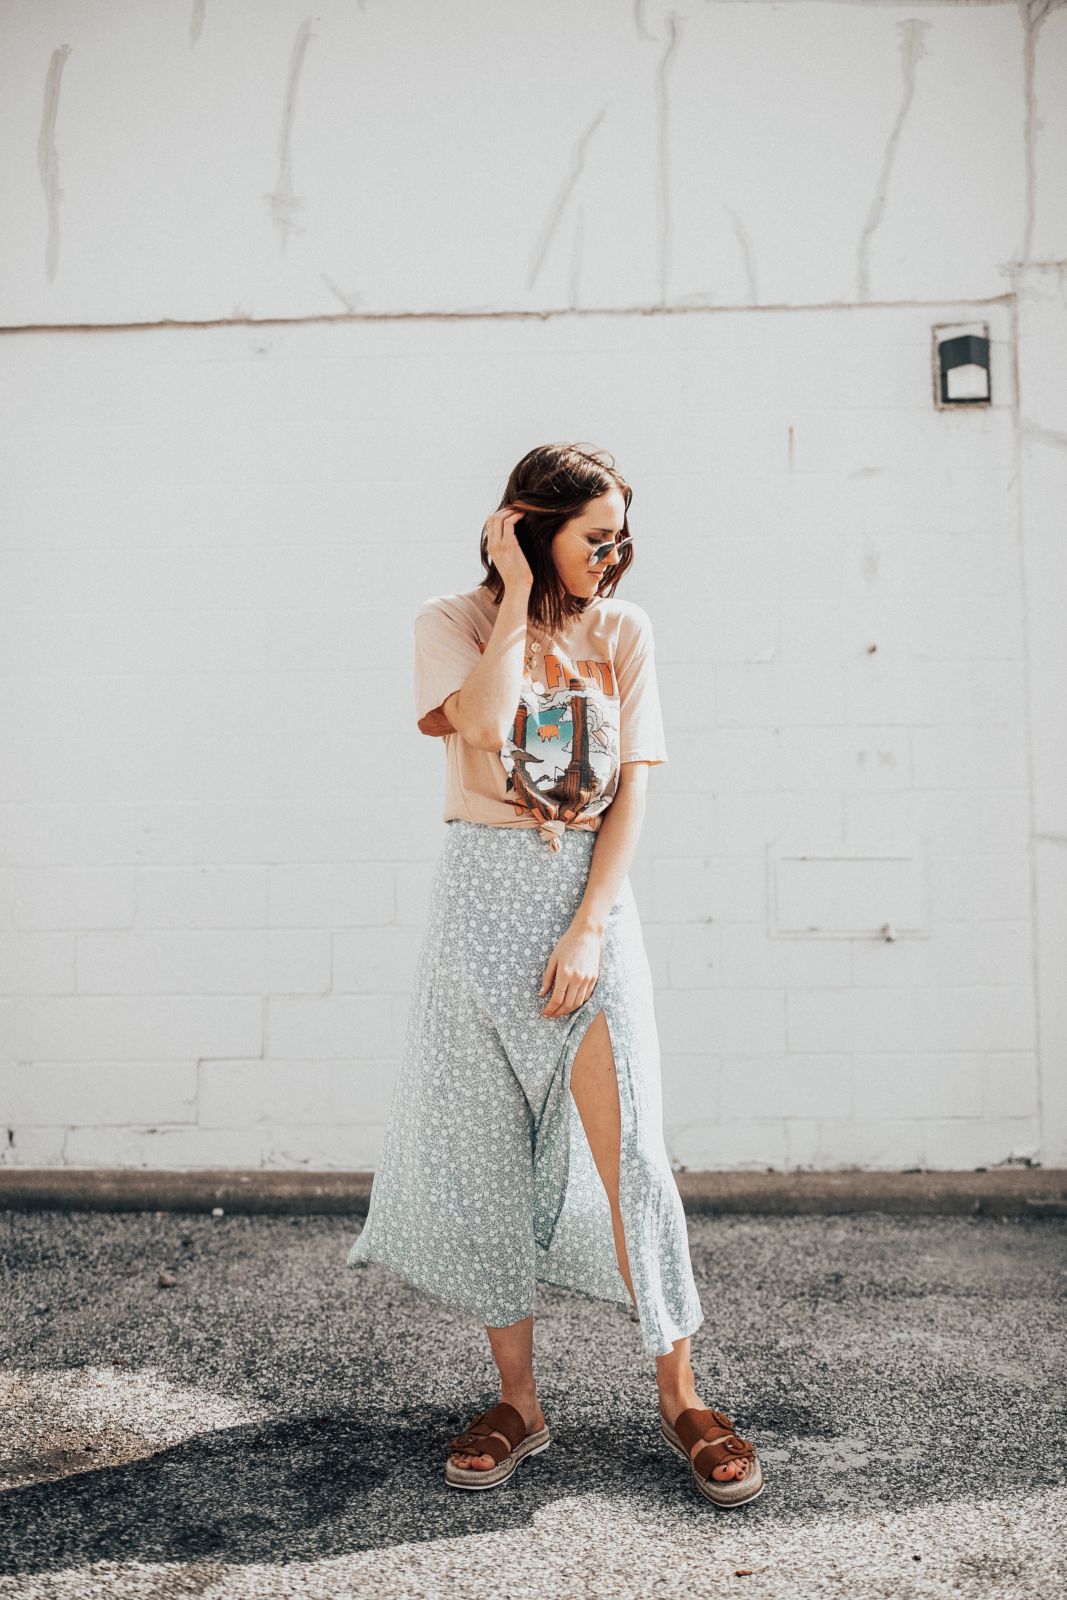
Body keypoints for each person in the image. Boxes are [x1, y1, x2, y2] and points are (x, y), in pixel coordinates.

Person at [346, 442, 764, 1507]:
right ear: (530, 527)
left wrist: (588, 930)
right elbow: (481, 725)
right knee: (488, 1158)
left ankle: (681, 1395)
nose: (610, 557)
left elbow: (629, 794)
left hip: (586, 909)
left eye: (618, 536)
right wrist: (520, 595)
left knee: (632, 1157)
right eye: (589, 538)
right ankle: (518, 1401)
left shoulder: (625, 631)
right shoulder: (451, 621)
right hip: (475, 909)